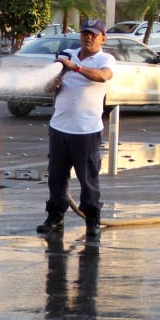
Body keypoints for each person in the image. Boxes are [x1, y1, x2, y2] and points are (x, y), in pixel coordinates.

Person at [36, 18, 116, 238]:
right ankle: (55, 217)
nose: (88, 38)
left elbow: (103, 76)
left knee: (88, 178)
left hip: (86, 130)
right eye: (84, 34)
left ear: (102, 38)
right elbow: (46, 87)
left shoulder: (105, 59)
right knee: (56, 176)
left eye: (93, 34)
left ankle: (92, 219)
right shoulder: (66, 57)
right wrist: (54, 83)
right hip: (60, 127)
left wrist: (76, 68)